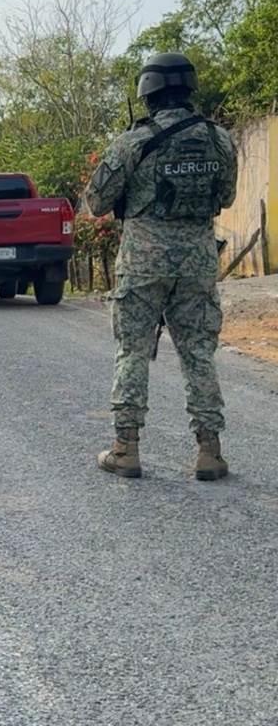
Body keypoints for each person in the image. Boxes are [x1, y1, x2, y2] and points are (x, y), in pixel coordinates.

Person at [83, 52, 237, 481]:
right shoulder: (219, 138)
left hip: (142, 262)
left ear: (146, 93)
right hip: (197, 262)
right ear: (190, 89)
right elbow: (225, 197)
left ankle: (125, 448)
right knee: (198, 354)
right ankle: (210, 451)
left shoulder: (133, 142)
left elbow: (95, 202)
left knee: (131, 351)